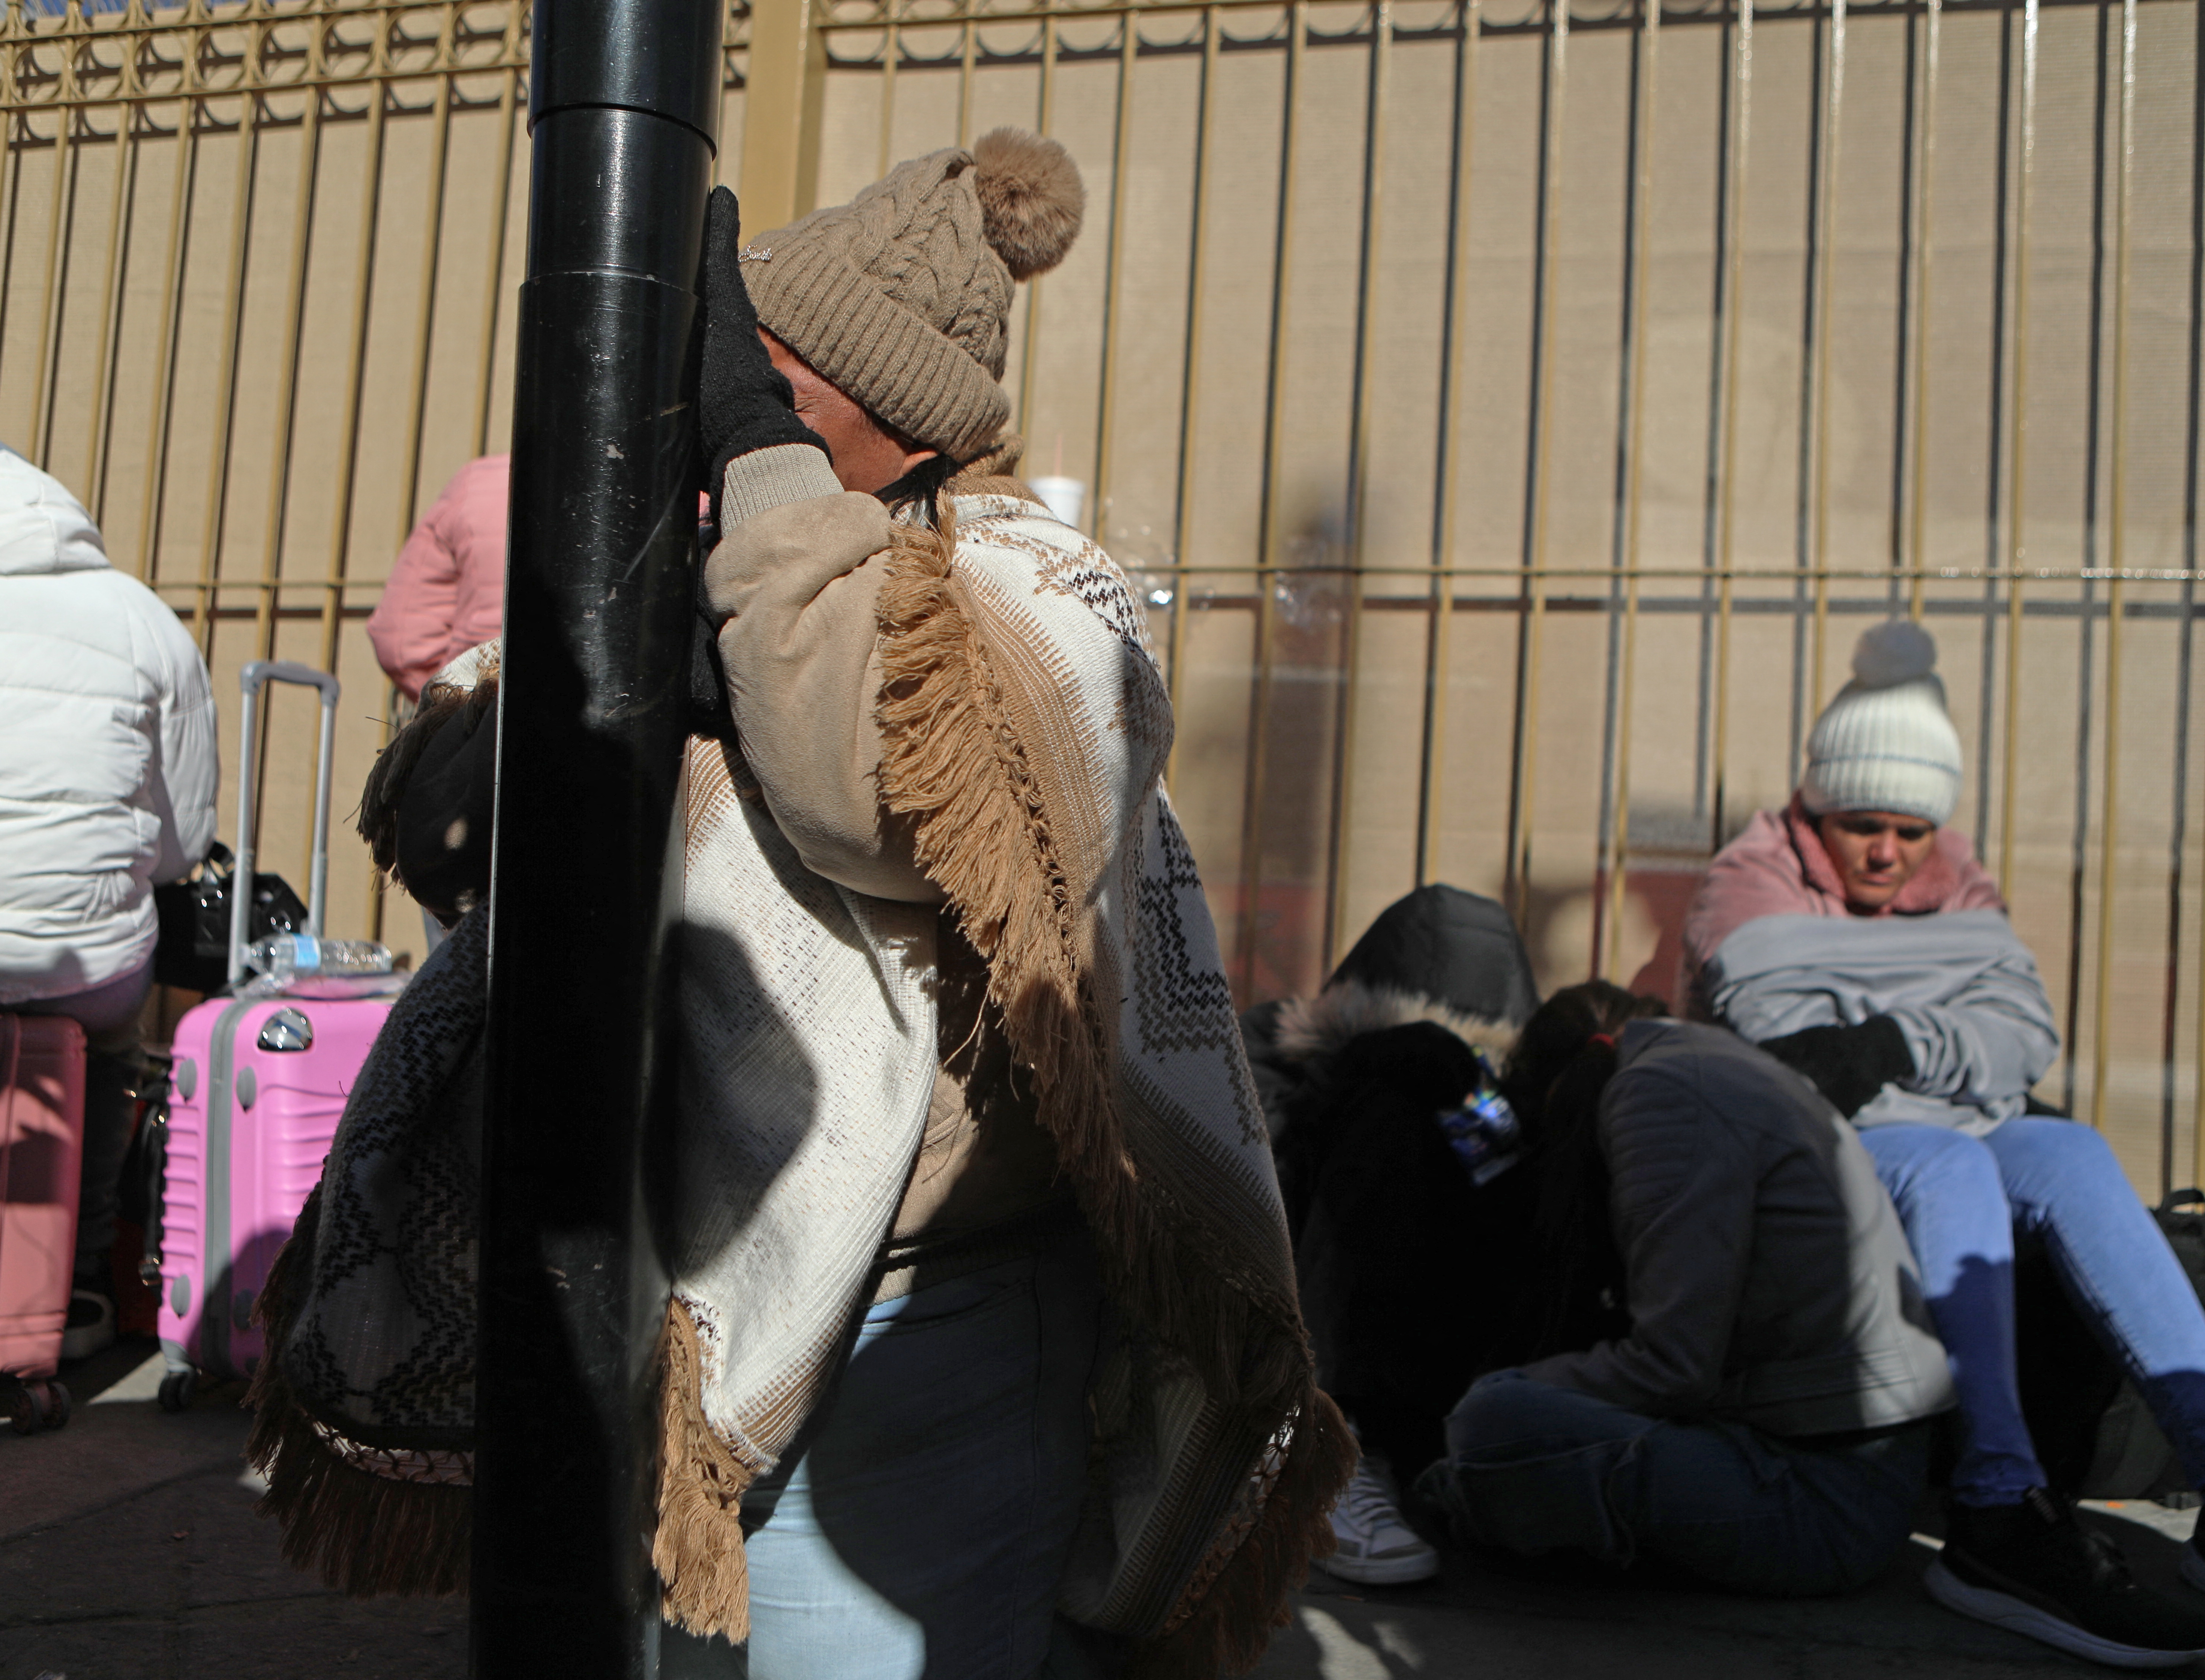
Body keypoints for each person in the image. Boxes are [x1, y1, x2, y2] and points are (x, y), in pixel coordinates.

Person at [250, 130, 1350, 1679]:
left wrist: (760, 469)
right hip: (672, 1288)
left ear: (883, 421)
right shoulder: (718, 569)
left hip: (925, 1323)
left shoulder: (1028, 582)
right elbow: (443, 829)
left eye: (761, 374)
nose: (716, 398)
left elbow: (870, 795)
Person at [1686, 617, 2205, 1667]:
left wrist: (1892, 1031)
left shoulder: (1957, 874)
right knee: (1951, 1165)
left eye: (1909, 829)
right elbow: (1797, 1054)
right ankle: (1994, 1506)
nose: (1888, 853)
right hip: (1806, 1146)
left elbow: (2023, 1029)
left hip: (1944, 1124)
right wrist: (1947, 1028)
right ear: (1815, 805)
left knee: (2070, 1151)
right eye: (1860, 826)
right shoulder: (1744, 879)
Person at [1416, 982, 1960, 1600]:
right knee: (1511, 1413)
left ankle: (1469, 1493)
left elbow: (1674, 1367)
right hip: (1833, 1465)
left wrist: (1507, 1393)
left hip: (1824, 1498)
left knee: (1492, 1416)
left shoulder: (1664, 1097)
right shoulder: (1712, 1061)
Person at [1244, 883, 1545, 1586]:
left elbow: (1516, 1203)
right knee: (1394, 1117)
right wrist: (1348, 1084)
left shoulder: (1486, 1097)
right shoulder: (1271, 1050)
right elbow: (1240, 1188)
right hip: (1292, 1360)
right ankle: (1329, 1450)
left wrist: (1474, 1105)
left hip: (1439, 1370)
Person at [0, 445, 217, 1358]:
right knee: (107, 1049)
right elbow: (185, 841)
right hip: (85, 958)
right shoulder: (140, 617)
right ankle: (80, 1281)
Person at [365, 454, 508, 704]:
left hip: (482, 703)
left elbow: (399, 639)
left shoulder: (481, 483)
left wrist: (447, 700)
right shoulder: (597, 479)